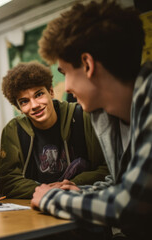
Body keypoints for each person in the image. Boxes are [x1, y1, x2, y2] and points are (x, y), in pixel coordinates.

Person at [30, 1, 150, 239]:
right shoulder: (106, 113)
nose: (68, 88)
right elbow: (122, 184)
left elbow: (132, 204)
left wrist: (52, 198)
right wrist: (79, 192)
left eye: (64, 73)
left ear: (87, 64)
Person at [0, 61, 108, 199]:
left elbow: (107, 168)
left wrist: (72, 184)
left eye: (39, 95)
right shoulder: (13, 130)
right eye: (24, 101)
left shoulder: (82, 116)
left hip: (80, 198)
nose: (34, 105)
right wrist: (44, 190)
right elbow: (7, 182)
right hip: (33, 209)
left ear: (51, 92)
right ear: (19, 108)